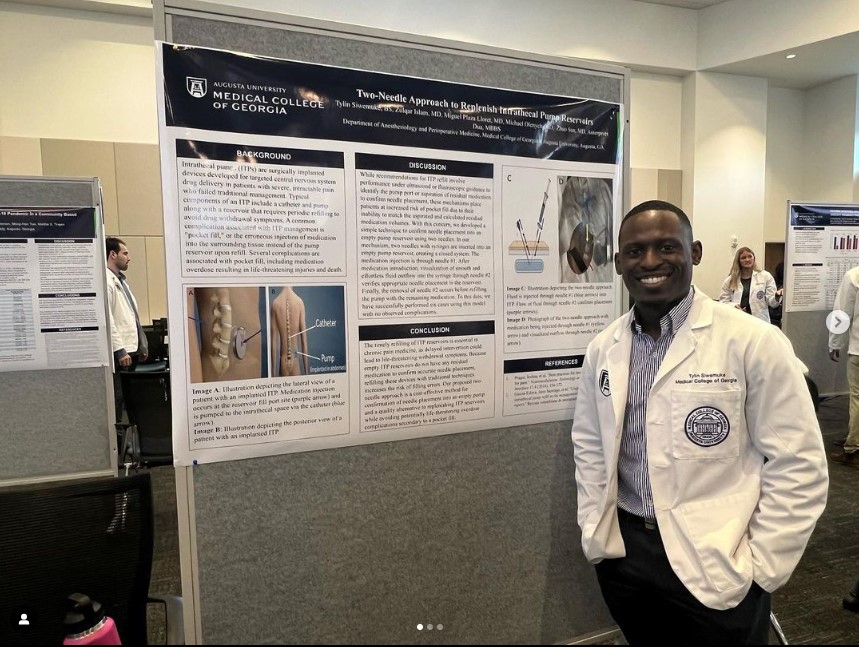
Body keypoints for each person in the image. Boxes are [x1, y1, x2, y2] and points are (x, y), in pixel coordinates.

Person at [571, 200, 828, 644]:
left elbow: (799, 464)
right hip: (628, 555)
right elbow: (591, 445)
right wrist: (597, 533)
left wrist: (762, 569)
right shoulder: (603, 348)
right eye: (635, 251)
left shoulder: (753, 342)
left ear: (695, 252)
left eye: (666, 247)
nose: (650, 261)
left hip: (717, 556)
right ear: (617, 263)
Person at [106, 236, 147, 421]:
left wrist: (142, 344)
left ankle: (129, 441)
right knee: (118, 399)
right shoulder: (107, 282)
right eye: (125, 253)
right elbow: (109, 319)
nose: (128, 257)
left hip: (131, 350)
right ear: (113, 254)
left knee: (128, 399)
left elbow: (133, 317)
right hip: (120, 354)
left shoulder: (121, 282)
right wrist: (120, 350)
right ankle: (119, 443)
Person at [828, 265, 859, 464]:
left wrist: (835, 343)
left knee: (857, 397)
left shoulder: (854, 275)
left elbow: (842, 313)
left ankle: (853, 448)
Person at [719, 246, 783, 323]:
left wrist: (777, 295)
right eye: (743, 258)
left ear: (754, 258)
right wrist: (734, 307)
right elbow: (723, 303)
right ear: (738, 261)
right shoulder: (730, 280)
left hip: (760, 321)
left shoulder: (765, 276)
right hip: (737, 320)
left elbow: (772, 303)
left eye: (750, 256)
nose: (747, 259)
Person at [271, 286, 309, 376]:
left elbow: (273, 344)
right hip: (295, 360)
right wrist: (307, 373)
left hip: (283, 361)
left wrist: (272, 374)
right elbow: (304, 342)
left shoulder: (276, 303)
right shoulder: (299, 302)